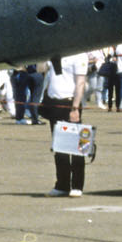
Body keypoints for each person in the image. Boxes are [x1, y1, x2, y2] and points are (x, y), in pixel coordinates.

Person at [40, 53, 92, 196]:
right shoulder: (55, 53)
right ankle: (62, 185)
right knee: (59, 147)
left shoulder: (80, 55)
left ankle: (77, 185)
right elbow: (41, 70)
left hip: (69, 102)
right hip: (53, 102)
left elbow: (80, 82)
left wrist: (75, 107)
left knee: (76, 147)